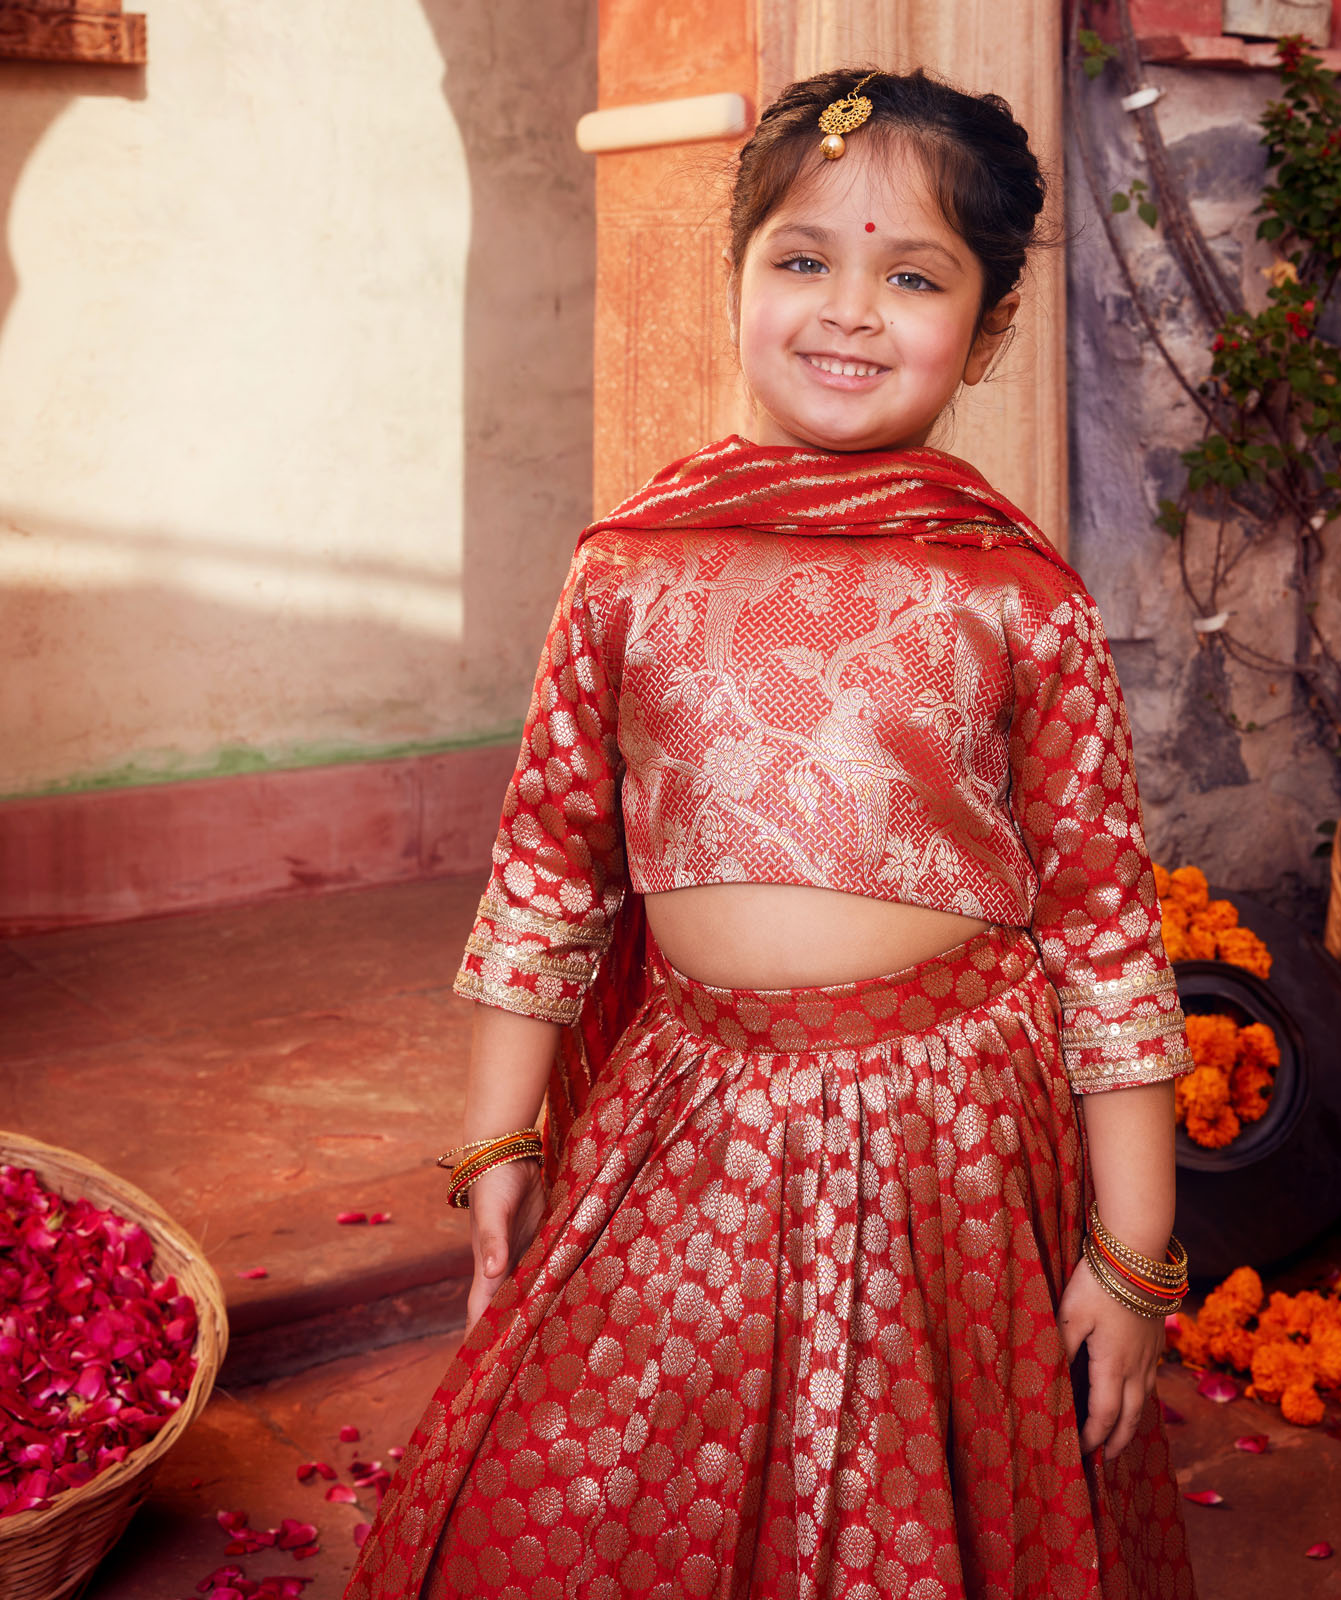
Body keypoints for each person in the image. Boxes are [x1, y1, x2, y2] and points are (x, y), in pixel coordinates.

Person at [346, 66, 1197, 1600]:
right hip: (689, 1124)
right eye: (802, 259)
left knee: (923, 1514)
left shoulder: (1015, 596)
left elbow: (1103, 935)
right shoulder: (629, 571)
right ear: (735, 276)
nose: (848, 311)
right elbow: (550, 867)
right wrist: (501, 1139)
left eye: (913, 275)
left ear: (988, 327)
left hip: (955, 1143)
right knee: (581, 1494)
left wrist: (1133, 1259)